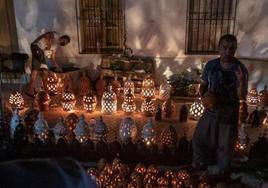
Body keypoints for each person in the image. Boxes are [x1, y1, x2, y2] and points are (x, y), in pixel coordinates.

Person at [192, 34, 248, 175]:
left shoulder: (240, 69)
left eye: (231, 48)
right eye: (224, 48)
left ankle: (221, 173)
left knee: (225, 145)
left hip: (228, 112)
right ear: (219, 48)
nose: (228, 51)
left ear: (235, 49)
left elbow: (241, 96)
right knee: (199, 138)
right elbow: (203, 85)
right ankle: (200, 165)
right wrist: (204, 95)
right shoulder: (211, 65)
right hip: (211, 108)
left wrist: (241, 82)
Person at [26, 31, 70, 97]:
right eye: (65, 41)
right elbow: (46, 35)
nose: (65, 43)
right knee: (37, 70)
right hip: (37, 47)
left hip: (41, 52)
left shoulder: (56, 47)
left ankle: (43, 91)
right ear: (63, 38)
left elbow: (53, 58)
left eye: (66, 43)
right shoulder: (56, 35)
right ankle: (32, 91)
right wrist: (49, 45)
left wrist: (58, 67)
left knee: (43, 71)